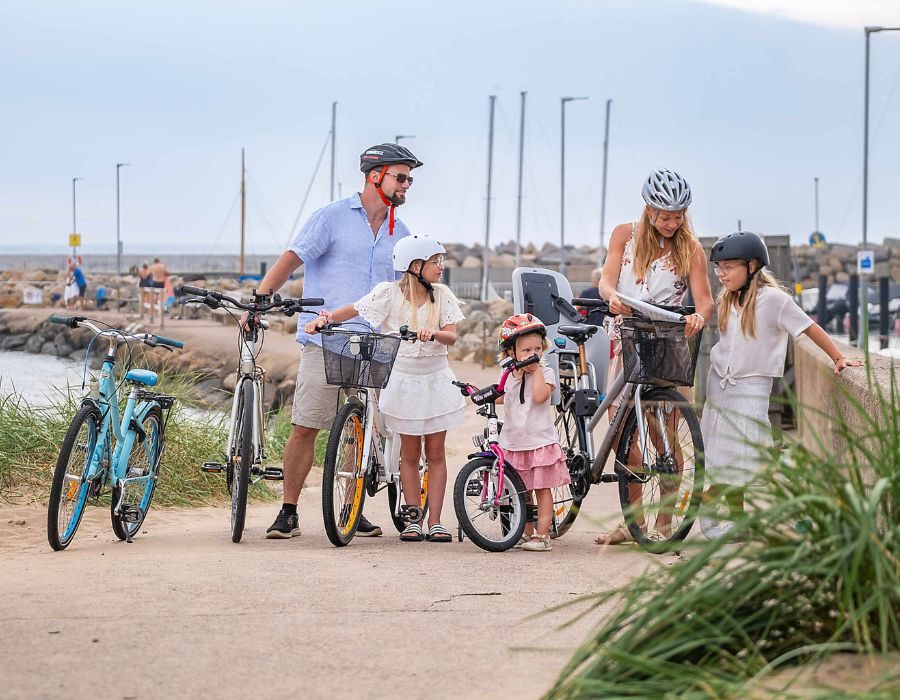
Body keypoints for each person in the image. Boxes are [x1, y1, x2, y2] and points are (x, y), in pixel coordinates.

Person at [251, 142, 423, 540]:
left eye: (409, 179)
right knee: (306, 425)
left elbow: (412, 287)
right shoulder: (331, 217)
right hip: (326, 339)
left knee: (361, 427)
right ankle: (288, 510)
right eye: (401, 177)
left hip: (375, 343)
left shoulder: (404, 234)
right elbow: (292, 258)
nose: (406, 186)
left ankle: (351, 504)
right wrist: (260, 301)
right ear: (374, 177)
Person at [699, 231, 863, 537]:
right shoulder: (727, 300)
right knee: (725, 456)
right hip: (719, 388)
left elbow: (808, 328)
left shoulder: (773, 300)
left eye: (728, 267)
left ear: (751, 267)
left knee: (743, 457)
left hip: (751, 389)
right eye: (718, 267)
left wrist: (838, 357)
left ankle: (705, 506)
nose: (720, 274)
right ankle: (739, 522)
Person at [305, 235, 465, 542]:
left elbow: (452, 335)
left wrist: (434, 334)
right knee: (409, 451)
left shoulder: (442, 296)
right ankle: (414, 518)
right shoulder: (388, 294)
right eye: (435, 261)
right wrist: (325, 318)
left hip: (434, 378)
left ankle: (436, 521)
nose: (441, 267)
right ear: (415, 266)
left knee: (435, 453)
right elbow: (353, 309)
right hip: (402, 378)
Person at [595, 168, 714, 545]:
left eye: (679, 216)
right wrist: (610, 296)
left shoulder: (691, 248)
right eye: (665, 216)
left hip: (665, 342)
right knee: (623, 439)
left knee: (666, 441)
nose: (672, 223)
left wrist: (697, 316)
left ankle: (664, 523)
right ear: (649, 210)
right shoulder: (624, 235)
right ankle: (633, 525)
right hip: (625, 336)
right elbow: (606, 281)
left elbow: (706, 302)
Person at [494, 313, 571, 552]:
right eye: (526, 350)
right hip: (513, 442)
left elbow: (540, 396)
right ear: (511, 353)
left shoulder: (545, 373)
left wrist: (535, 370)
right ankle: (524, 532)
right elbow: (499, 396)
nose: (533, 354)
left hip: (539, 442)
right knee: (521, 491)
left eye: (537, 348)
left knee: (542, 489)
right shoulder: (507, 375)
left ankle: (543, 533)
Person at [148, 258, 169, 323]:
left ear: (154, 262)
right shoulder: (163, 266)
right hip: (161, 282)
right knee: (161, 296)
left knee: (154, 297)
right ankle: (160, 311)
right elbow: (167, 273)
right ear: (159, 261)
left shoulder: (152, 266)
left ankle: (154, 313)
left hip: (155, 282)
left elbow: (149, 274)